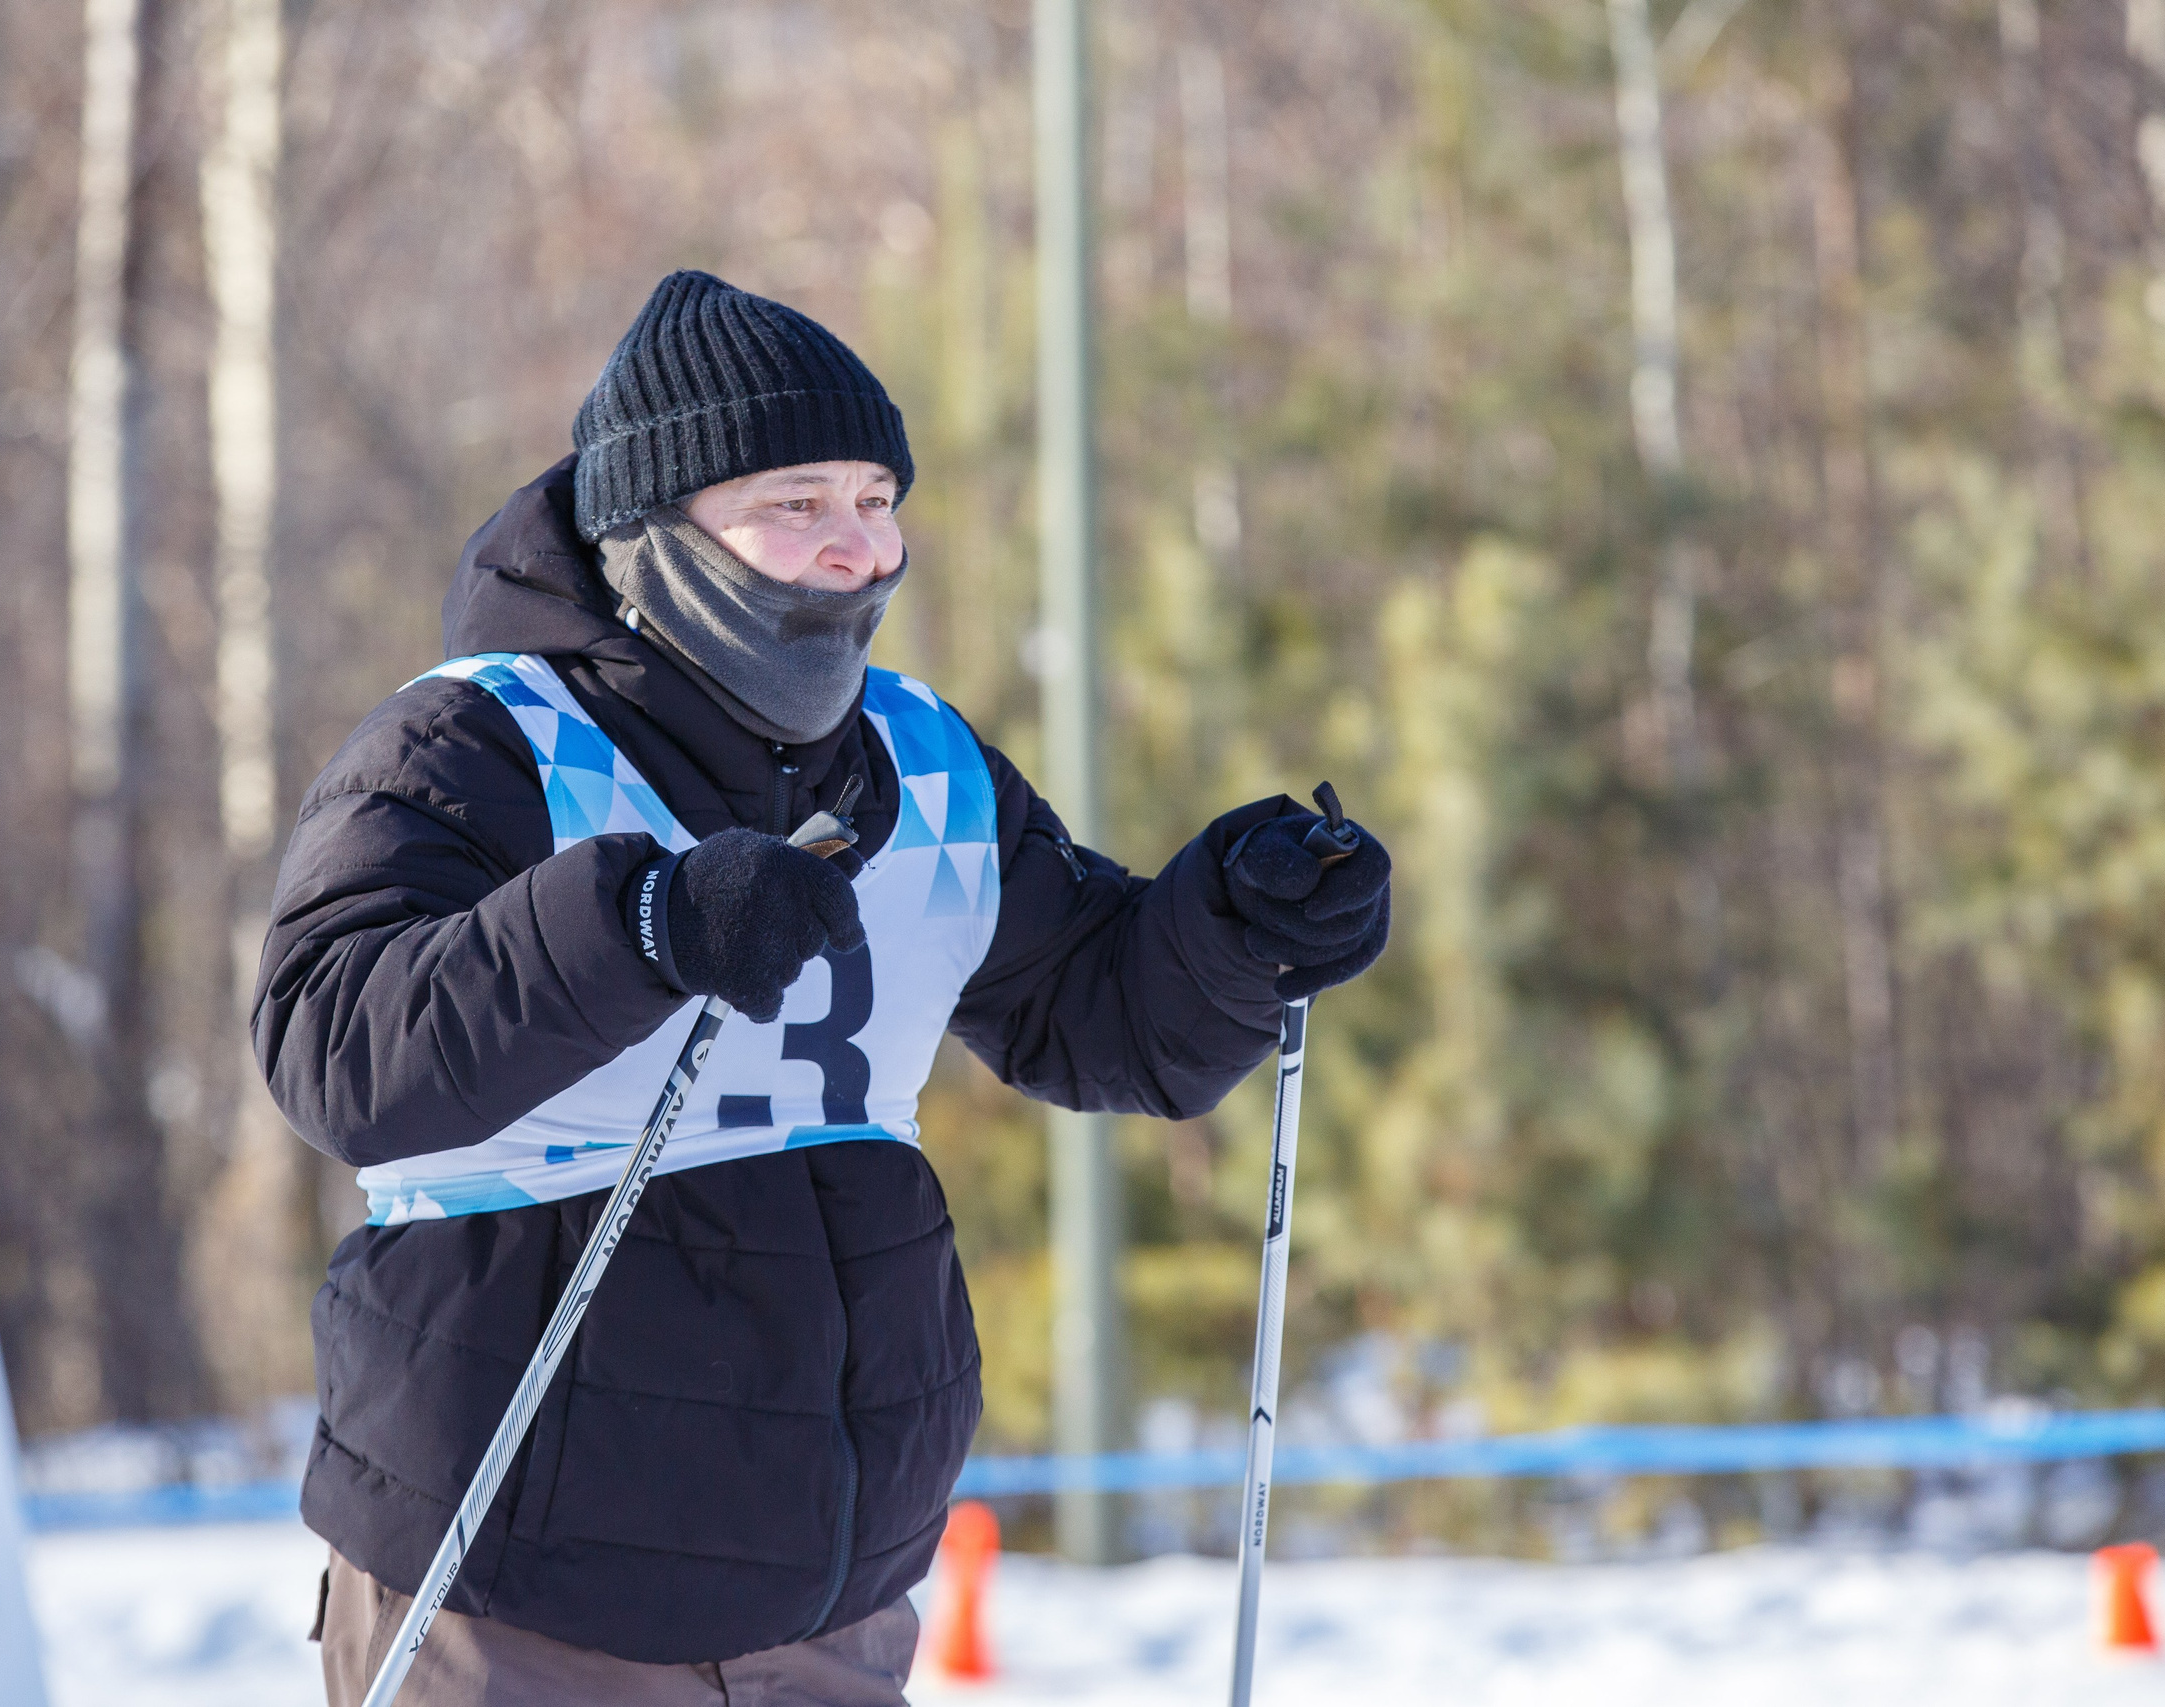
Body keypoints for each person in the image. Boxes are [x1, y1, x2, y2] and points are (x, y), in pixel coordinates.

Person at [256, 269, 1392, 1704]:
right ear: (652, 531)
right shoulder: (476, 740)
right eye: (797, 505)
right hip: (519, 1592)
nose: (857, 550)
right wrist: (644, 925)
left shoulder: (919, 759)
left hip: (831, 1600)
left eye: (875, 499)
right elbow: (336, 1050)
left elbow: (1105, 1020)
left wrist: (1239, 922)